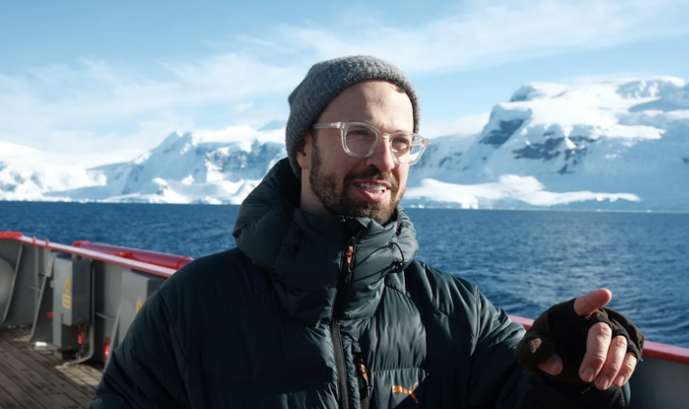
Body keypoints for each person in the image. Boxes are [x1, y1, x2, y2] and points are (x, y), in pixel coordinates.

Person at [90, 55, 643, 409]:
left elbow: (531, 398)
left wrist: (573, 367)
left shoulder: (458, 313)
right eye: (359, 134)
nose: (384, 160)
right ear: (302, 148)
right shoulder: (193, 305)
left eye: (401, 143)